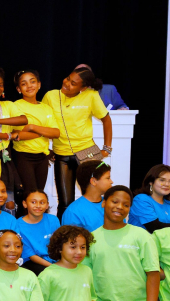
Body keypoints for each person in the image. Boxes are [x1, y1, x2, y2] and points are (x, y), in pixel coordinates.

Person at [86, 185, 159, 301]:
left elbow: (153, 275)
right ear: (104, 203)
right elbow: (85, 277)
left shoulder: (141, 236)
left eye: (125, 205)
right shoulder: (91, 239)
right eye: (115, 201)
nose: (120, 207)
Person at [41, 68, 112, 216]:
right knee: (65, 203)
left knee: (94, 198)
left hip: (87, 151)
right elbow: (43, 122)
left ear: (83, 87)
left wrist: (107, 148)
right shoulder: (51, 96)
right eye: (67, 78)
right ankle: (65, 236)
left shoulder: (91, 96)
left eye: (73, 83)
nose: (67, 84)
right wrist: (48, 148)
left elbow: (106, 119)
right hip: (62, 154)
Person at [0, 70, 60, 203]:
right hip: (23, 156)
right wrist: (43, 131)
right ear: (19, 89)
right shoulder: (16, 106)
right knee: (29, 195)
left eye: (33, 81)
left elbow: (56, 133)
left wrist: (32, 127)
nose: (29, 86)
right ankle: (22, 223)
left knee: (39, 194)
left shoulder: (46, 108)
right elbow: (18, 134)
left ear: (39, 85)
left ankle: (35, 223)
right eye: (24, 84)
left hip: (42, 156)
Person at [12, 190, 60, 274]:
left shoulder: (53, 220)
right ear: (25, 204)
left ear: (47, 205)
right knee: (50, 273)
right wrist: (53, 267)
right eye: (33, 202)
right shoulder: (18, 225)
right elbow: (30, 255)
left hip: (54, 258)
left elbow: (60, 244)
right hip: (33, 261)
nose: (38, 206)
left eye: (42, 202)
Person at [130, 164, 170, 232]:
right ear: (151, 182)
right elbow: (154, 227)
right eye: (162, 180)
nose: (167, 184)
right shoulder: (141, 200)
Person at [61, 161, 112, 231]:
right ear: (93, 181)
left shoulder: (112, 204)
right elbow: (72, 240)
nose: (111, 181)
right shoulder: (73, 212)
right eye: (108, 178)